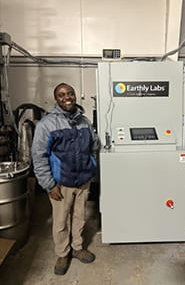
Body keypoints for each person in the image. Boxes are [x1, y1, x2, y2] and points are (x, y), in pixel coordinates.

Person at [32, 82, 98, 275]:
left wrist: (91, 166)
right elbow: (39, 156)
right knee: (60, 222)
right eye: (62, 95)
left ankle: (77, 247)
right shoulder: (47, 124)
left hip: (83, 180)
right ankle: (63, 253)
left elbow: (94, 145)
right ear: (56, 99)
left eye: (70, 93)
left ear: (75, 96)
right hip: (61, 182)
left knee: (79, 217)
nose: (67, 97)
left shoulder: (84, 121)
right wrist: (49, 184)